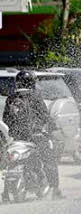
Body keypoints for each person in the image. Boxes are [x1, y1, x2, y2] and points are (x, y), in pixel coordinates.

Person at [2, 71, 63, 199]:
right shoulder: (35, 96)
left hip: (17, 138)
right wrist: (53, 127)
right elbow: (45, 115)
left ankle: (7, 193)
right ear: (32, 83)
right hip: (35, 136)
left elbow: (6, 119)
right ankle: (55, 190)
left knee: (10, 161)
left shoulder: (11, 98)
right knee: (49, 159)